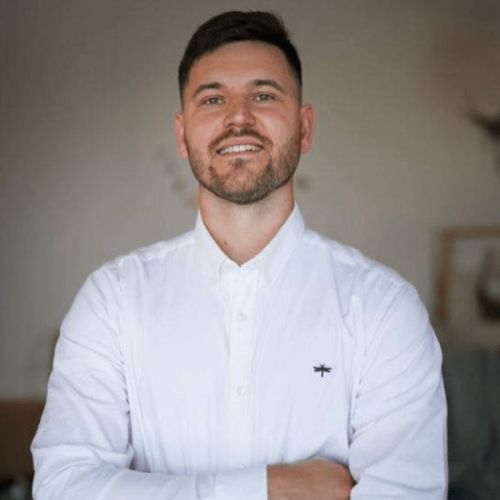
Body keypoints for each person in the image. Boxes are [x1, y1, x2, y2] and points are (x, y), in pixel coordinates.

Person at [31, 10, 447, 500]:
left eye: (264, 95)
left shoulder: (384, 308)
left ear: (305, 127)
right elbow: (62, 488)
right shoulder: (112, 301)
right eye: (213, 99)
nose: (238, 118)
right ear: (183, 136)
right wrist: (269, 488)